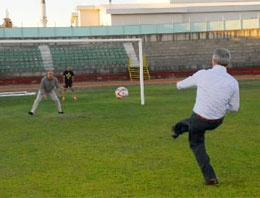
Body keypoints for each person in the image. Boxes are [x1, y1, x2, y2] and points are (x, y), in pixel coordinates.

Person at [172, 48, 240, 185]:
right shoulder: (233, 82)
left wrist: (179, 84)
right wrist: (222, 106)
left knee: (196, 143)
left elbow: (180, 86)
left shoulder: (203, 74)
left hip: (200, 119)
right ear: (228, 63)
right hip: (216, 121)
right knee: (193, 122)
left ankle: (210, 177)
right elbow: (234, 109)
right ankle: (176, 130)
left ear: (213, 60)